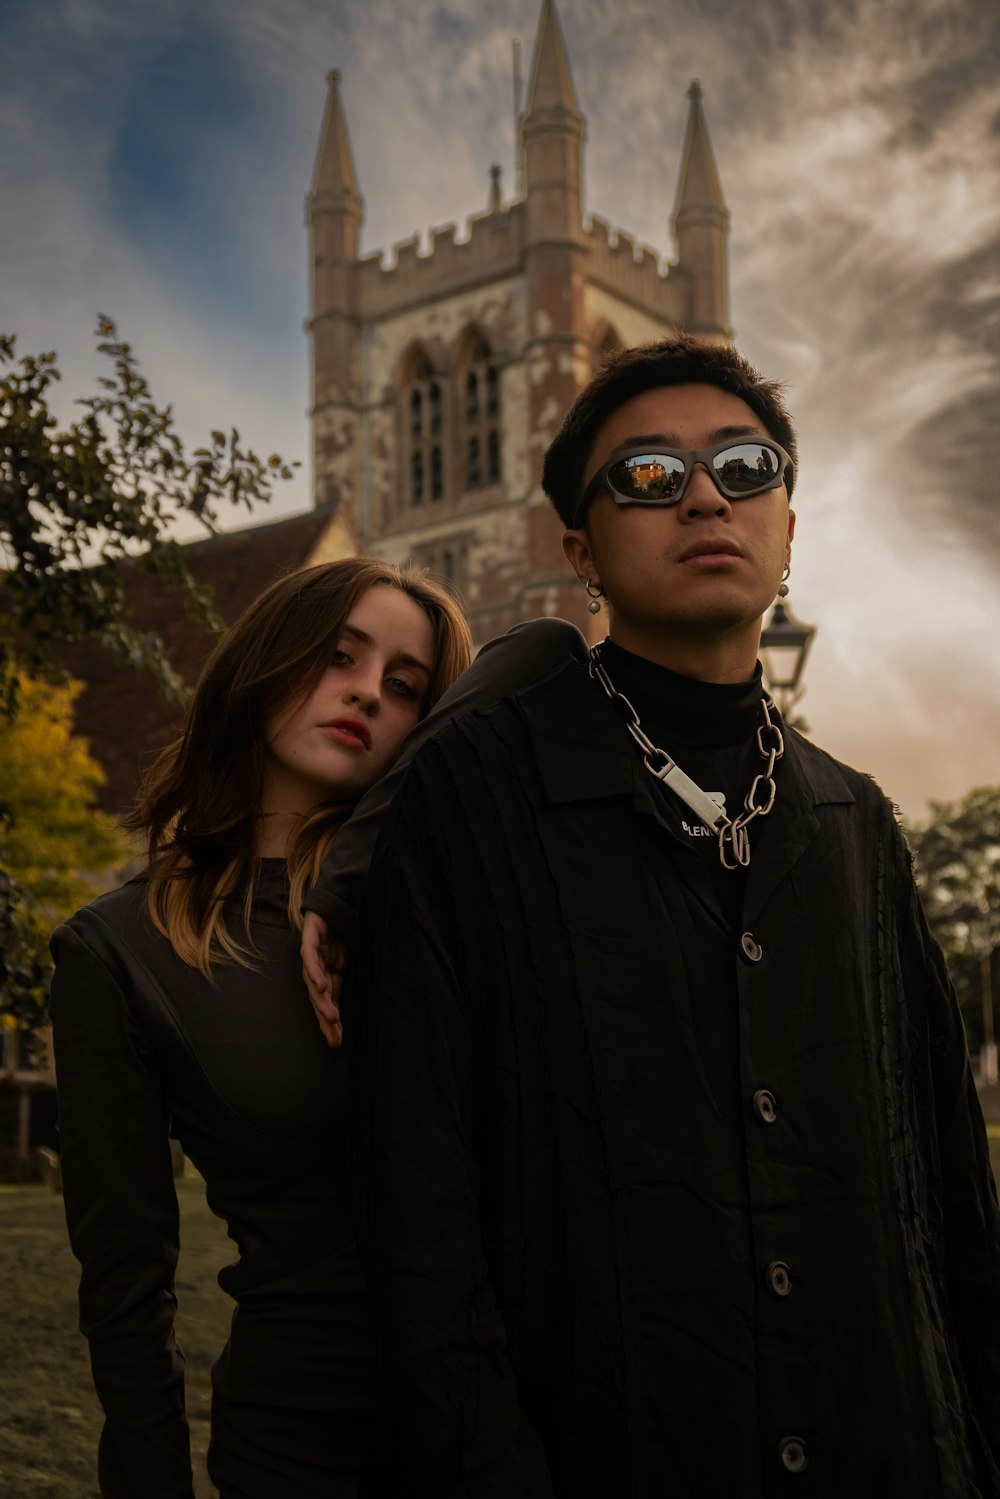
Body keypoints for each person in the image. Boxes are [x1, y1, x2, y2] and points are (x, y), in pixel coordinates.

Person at [301, 336, 1000, 1498]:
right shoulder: (469, 797)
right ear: (579, 548)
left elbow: (945, 1193)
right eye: (646, 475)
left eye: (743, 463)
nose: (704, 494)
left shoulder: (856, 824)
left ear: (788, 524)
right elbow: (421, 1221)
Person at [48, 557, 473, 1499]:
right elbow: (124, 1286)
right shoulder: (120, 948)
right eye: (336, 655)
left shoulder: (448, 900)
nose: (367, 690)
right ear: (263, 665)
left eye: (405, 687)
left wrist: (357, 865)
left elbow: (549, 659)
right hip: (305, 1442)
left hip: (526, 1428)